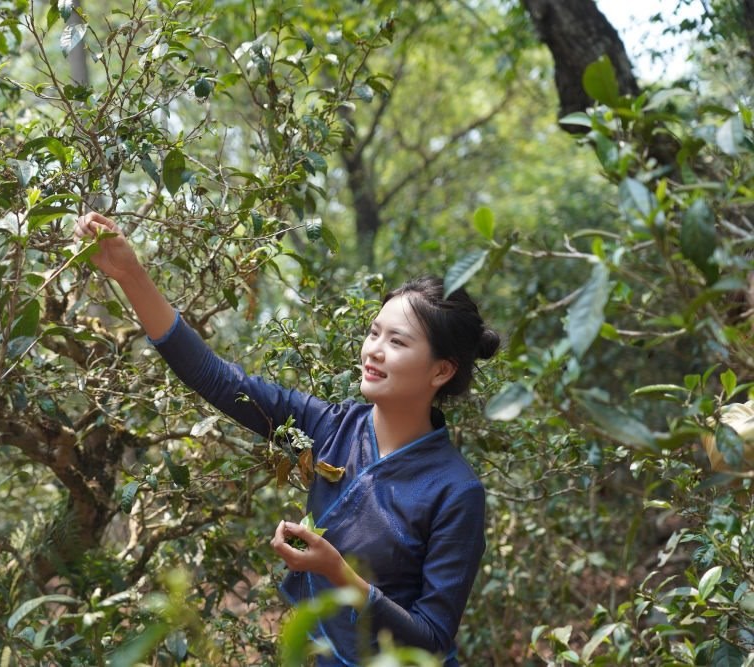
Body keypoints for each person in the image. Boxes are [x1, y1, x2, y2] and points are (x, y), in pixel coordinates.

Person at [73, 212, 500, 666]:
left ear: (441, 370)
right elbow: (216, 378)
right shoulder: (331, 427)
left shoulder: (456, 490)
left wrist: (337, 572)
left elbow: (432, 638)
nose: (374, 350)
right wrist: (131, 274)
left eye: (397, 342)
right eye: (374, 333)